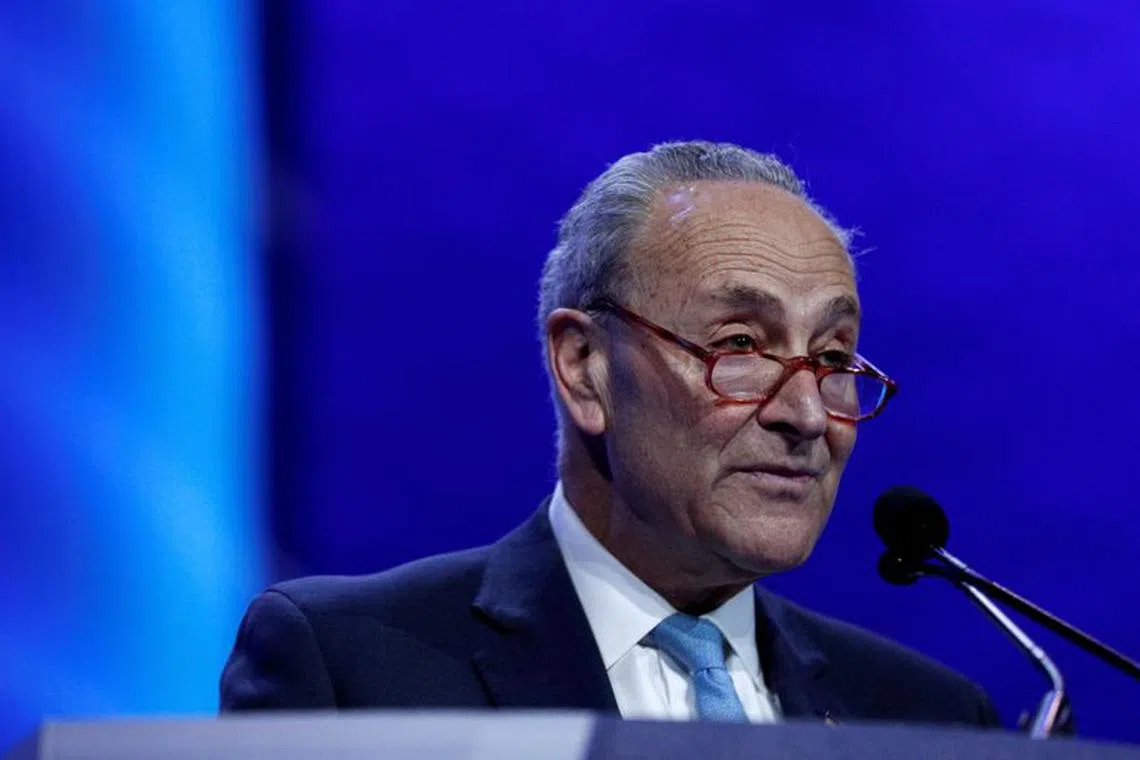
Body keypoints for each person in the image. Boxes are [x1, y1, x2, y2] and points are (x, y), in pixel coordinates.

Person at [220, 141, 999, 727]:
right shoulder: (353, 668)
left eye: (832, 357)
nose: (805, 414)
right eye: (738, 347)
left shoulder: (926, 719)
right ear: (585, 366)